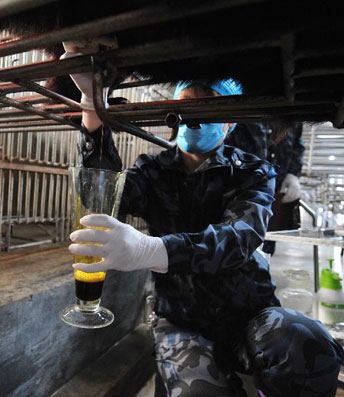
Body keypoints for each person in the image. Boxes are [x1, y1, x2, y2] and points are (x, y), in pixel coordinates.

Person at [62, 40, 344, 396]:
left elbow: (237, 239)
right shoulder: (153, 172)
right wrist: (92, 108)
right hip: (181, 318)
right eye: (185, 110)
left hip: (249, 313)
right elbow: (99, 191)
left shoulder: (253, 172)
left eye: (207, 110)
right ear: (173, 118)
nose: (194, 120)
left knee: (307, 348)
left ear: (229, 123)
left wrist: (152, 249)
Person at [225, 122, 305, 255]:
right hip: (241, 187)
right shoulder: (242, 115)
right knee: (239, 240)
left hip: (277, 190)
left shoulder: (292, 116)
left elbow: (297, 144)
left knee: (267, 243)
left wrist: (293, 174)